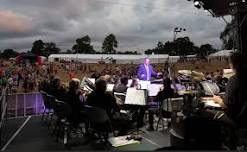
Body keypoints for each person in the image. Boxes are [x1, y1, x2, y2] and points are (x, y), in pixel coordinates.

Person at [213, 52, 247, 149]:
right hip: (244, 115)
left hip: (238, 119)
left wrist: (218, 99)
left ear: (233, 64)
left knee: (210, 113)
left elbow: (227, 105)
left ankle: (227, 143)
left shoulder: (234, 80)